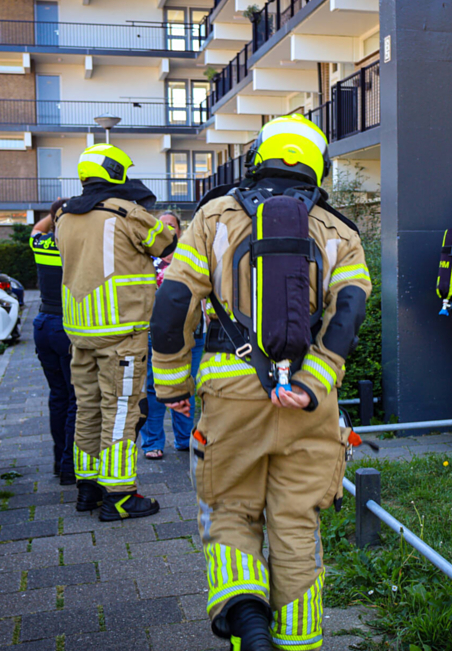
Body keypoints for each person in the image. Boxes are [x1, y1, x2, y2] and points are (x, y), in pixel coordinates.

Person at [150, 114, 371, 651]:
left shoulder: (214, 217)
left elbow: (173, 302)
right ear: (317, 168)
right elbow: (351, 306)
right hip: (308, 402)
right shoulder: (337, 229)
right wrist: (317, 378)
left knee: (230, 509)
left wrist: (173, 386)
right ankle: (297, 641)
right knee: (296, 522)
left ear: (258, 158)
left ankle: (247, 622)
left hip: (230, 396)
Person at [55, 144, 176, 521]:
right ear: (116, 173)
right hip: (121, 330)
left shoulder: (65, 216)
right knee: (122, 410)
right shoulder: (125, 212)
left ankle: (87, 488)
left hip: (80, 329)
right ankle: (121, 496)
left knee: (88, 409)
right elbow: (166, 242)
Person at [142, 211, 204, 458]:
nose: (167, 228)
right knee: (153, 389)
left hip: (193, 333)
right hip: (156, 334)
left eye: (172, 225)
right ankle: (153, 443)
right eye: (162, 225)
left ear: (180, 230)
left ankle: (184, 439)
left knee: (187, 385)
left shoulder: (190, 257)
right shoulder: (146, 259)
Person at [30, 198, 76, 485]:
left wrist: (55, 213)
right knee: (76, 399)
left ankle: (59, 461)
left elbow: (36, 227)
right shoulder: (70, 244)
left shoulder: (43, 243)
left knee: (58, 395)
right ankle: (71, 467)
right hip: (65, 327)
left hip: (42, 324)